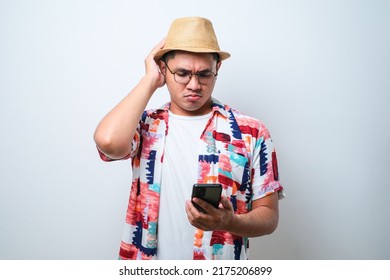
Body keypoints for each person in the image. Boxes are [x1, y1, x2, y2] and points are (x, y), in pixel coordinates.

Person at [94, 16, 284, 260]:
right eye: (182, 73)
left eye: (205, 74)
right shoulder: (144, 126)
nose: (194, 85)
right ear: (164, 69)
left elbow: (269, 216)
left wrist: (228, 221)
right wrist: (150, 81)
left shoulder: (251, 131)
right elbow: (108, 142)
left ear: (218, 69)